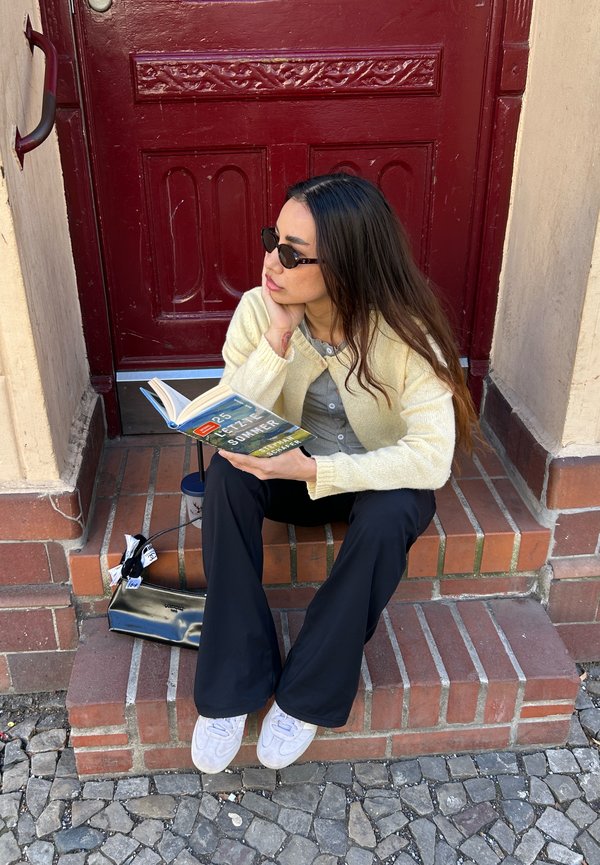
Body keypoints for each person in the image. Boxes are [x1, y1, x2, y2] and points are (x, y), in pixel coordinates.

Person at [191, 173, 477, 774]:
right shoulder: (258, 309)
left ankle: (307, 694)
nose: (272, 260)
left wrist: (317, 466)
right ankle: (231, 683)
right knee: (225, 475)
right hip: (291, 479)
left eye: (293, 253)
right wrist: (276, 337)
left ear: (344, 266)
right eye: (273, 238)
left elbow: (432, 457)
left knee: (395, 510)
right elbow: (228, 413)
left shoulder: (403, 331)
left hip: (364, 483)